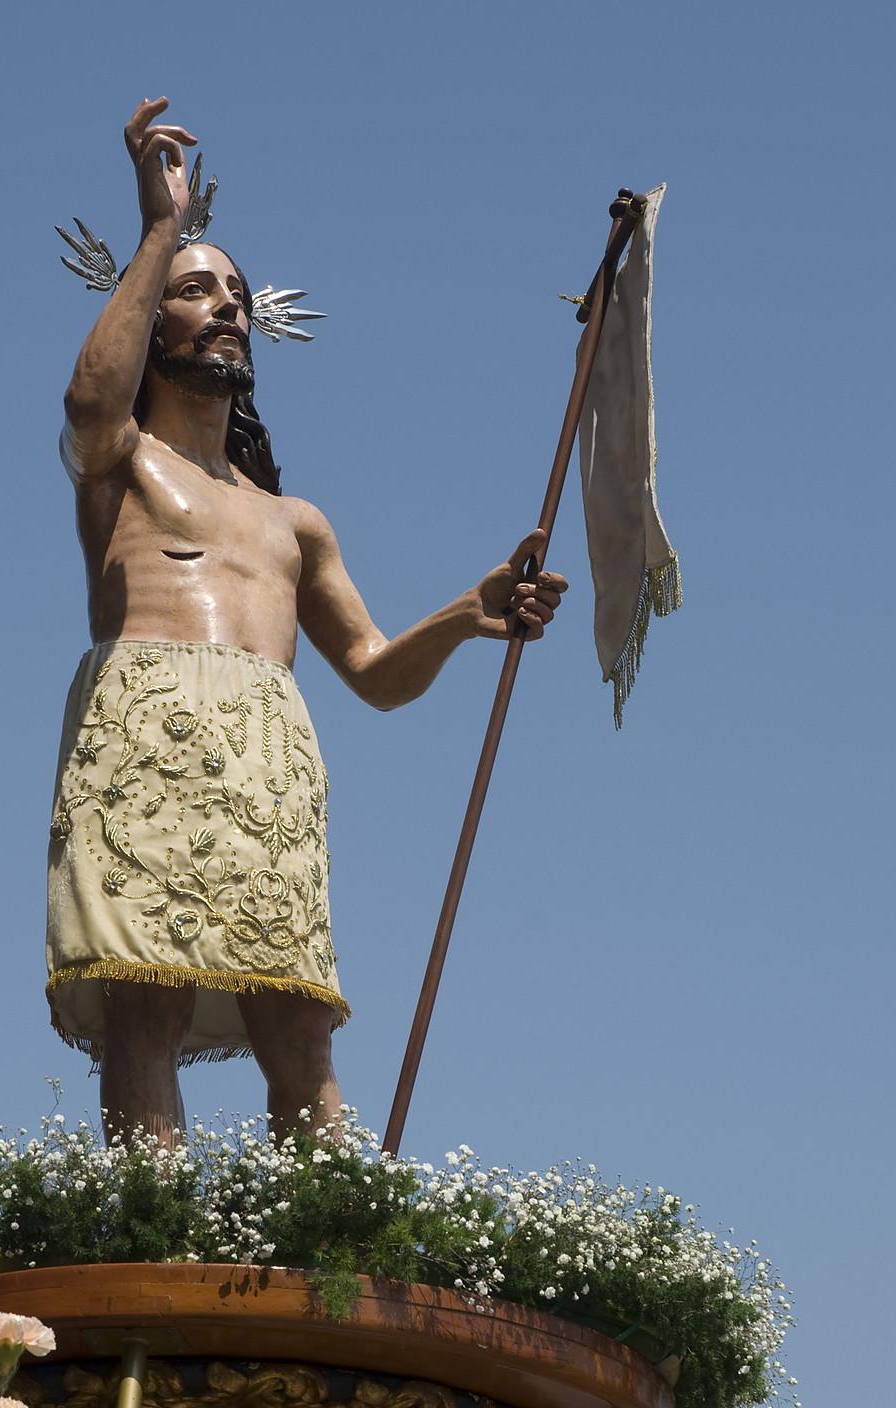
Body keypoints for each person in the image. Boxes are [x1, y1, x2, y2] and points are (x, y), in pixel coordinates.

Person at [50, 97, 566, 1145]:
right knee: (144, 993)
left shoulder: (295, 520)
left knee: (296, 1012)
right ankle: (154, 1241)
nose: (228, 307)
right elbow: (89, 408)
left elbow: (373, 670)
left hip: (271, 747)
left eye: (237, 293)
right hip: (149, 718)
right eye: (197, 292)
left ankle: (332, 1241)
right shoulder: (122, 464)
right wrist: (159, 233)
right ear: (150, 321)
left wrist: (464, 617)